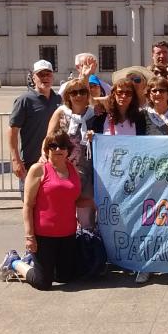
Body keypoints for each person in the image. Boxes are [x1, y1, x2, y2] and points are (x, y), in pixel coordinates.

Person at [0, 130, 86, 289]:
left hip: (68, 233)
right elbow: (28, 205)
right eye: (53, 146)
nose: (58, 149)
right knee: (43, 283)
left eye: (63, 146)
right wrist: (29, 236)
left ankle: (37, 263)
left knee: (65, 277)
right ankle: (15, 262)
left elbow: (73, 198)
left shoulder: (72, 169)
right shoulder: (39, 169)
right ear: (46, 149)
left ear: (68, 150)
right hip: (44, 235)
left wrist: (95, 203)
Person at [46, 78, 95, 228]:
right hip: (64, 169)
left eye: (82, 92)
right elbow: (49, 138)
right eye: (74, 93)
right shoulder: (61, 112)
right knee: (64, 210)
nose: (78, 96)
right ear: (68, 96)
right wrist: (44, 156)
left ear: (87, 94)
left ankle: (85, 238)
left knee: (85, 213)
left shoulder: (95, 114)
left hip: (87, 169)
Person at [8, 59, 62, 186]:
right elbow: (12, 131)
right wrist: (15, 160)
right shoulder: (24, 100)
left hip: (54, 160)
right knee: (30, 197)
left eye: (48, 74)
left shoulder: (58, 99)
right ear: (33, 78)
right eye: (41, 75)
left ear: (52, 77)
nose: (45, 78)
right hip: (31, 162)